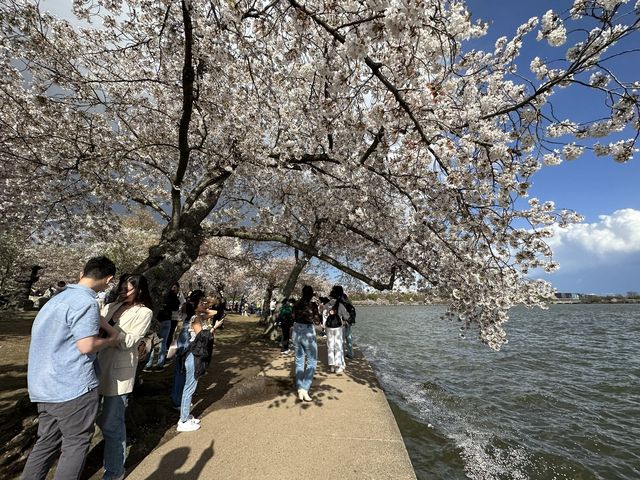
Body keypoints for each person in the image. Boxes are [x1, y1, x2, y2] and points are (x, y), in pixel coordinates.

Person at [22, 256, 119, 480]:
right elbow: (86, 345)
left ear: (82, 274)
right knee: (75, 444)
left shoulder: (55, 301)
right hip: (72, 387)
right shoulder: (85, 302)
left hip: (43, 387)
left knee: (45, 443)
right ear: (109, 279)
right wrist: (111, 341)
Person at [97, 274, 153, 480]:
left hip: (119, 372)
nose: (123, 292)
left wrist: (104, 324)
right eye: (121, 288)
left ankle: (114, 471)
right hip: (96, 366)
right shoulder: (111, 305)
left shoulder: (144, 312)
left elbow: (128, 342)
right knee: (91, 419)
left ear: (139, 290)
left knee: (112, 424)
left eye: (127, 289)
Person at [175, 296, 223, 432]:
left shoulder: (198, 316)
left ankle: (186, 415)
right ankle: (183, 420)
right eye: (201, 303)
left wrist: (206, 309)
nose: (205, 304)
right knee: (189, 387)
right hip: (193, 355)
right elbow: (202, 338)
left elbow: (213, 312)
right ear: (195, 305)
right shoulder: (195, 319)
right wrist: (215, 327)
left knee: (190, 386)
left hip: (195, 355)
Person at [292, 285, 321, 402]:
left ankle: (300, 388)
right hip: (308, 332)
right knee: (312, 361)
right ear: (311, 294)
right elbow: (317, 320)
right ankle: (305, 388)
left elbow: (292, 316)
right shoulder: (312, 305)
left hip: (296, 331)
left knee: (299, 360)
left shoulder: (296, 304)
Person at [144, 282, 180, 372]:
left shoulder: (155, 292)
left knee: (151, 342)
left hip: (156, 319)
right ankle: (160, 364)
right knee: (162, 343)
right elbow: (176, 307)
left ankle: (148, 364)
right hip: (166, 319)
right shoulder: (172, 295)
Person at [323, 285, 350, 374]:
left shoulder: (327, 304)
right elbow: (346, 316)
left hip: (329, 327)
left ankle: (332, 366)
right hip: (338, 327)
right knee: (338, 345)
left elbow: (325, 314)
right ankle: (338, 366)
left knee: (330, 346)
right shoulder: (340, 304)